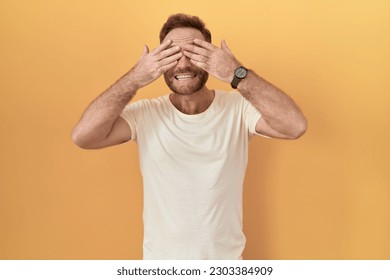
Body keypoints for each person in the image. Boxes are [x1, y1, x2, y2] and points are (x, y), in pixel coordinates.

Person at [72, 13, 307, 260]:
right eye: (171, 54)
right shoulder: (145, 114)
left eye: (194, 53)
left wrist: (236, 74)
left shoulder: (238, 109)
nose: (183, 64)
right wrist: (134, 78)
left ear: (210, 58)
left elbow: (295, 126)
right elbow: (83, 137)